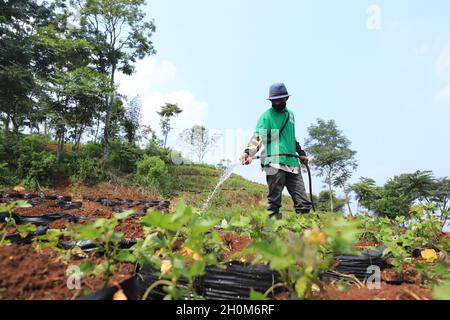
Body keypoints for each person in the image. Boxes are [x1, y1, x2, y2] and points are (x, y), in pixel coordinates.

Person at [240, 83, 312, 219]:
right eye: (274, 100)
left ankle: (303, 232)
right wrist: (248, 153)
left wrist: (301, 153)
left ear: (286, 99)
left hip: (292, 162)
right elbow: (258, 136)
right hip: (274, 162)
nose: (277, 102)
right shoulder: (266, 117)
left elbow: (291, 137)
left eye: (280, 99)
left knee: (303, 203)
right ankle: (272, 232)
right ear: (271, 101)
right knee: (274, 202)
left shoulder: (290, 115)